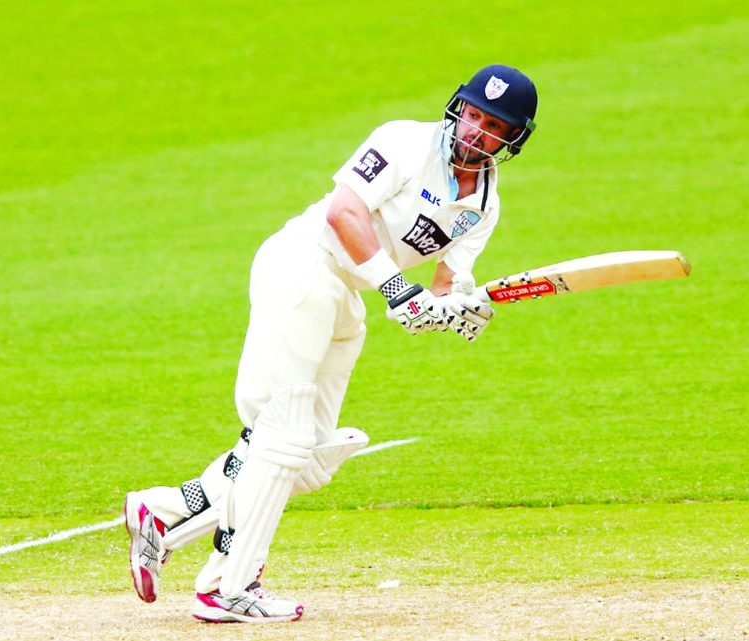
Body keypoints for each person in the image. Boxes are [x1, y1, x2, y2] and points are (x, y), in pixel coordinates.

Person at [123, 63, 538, 623]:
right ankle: (226, 587)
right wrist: (396, 289)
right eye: (473, 114)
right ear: (458, 107)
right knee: (282, 437)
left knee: (310, 457)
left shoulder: (484, 204)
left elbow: (444, 281)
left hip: (345, 297)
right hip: (304, 264)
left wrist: (452, 308)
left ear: (512, 139)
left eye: (493, 126)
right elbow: (345, 213)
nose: (475, 131)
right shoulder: (404, 142)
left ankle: (164, 513)